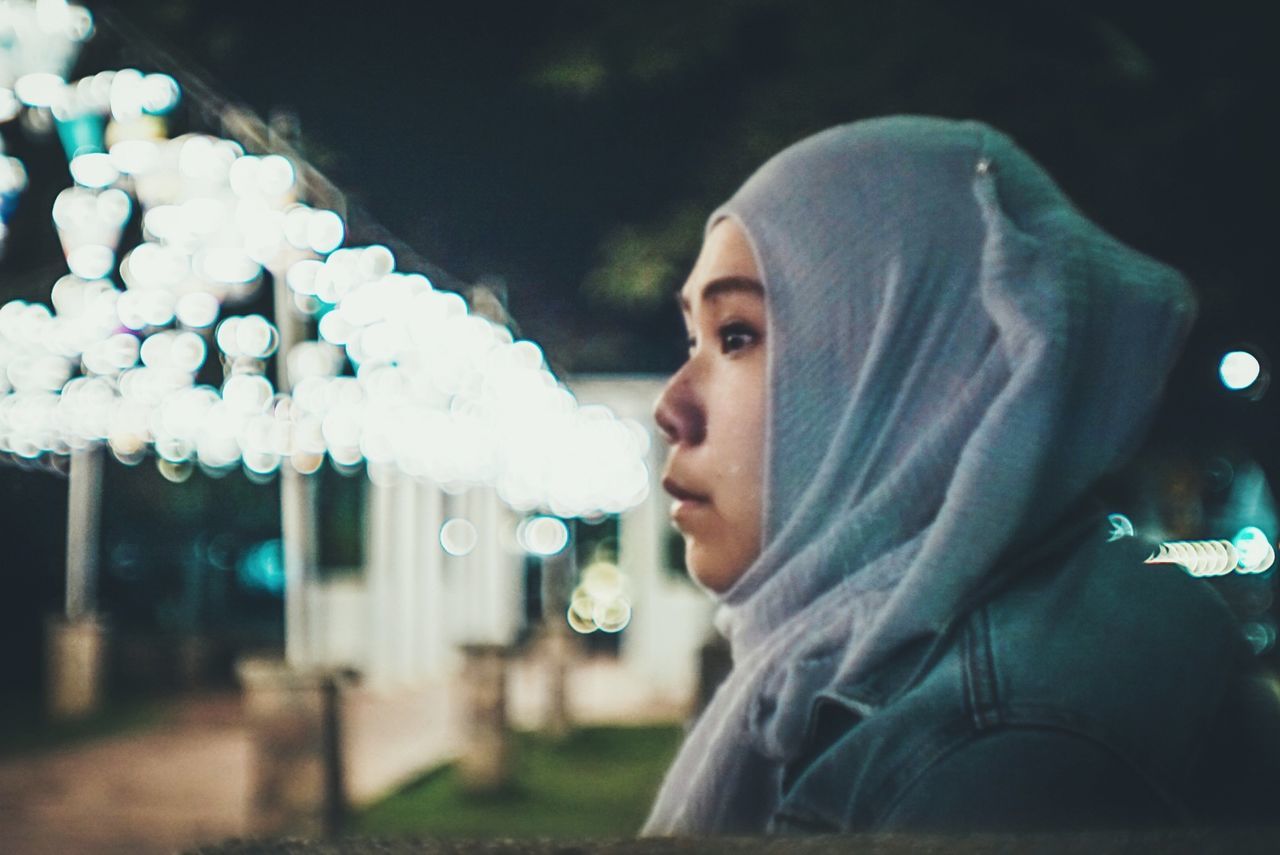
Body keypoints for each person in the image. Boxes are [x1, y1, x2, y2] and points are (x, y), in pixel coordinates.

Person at [645, 116, 1280, 834]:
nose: (671, 407)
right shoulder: (875, 674)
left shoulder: (1002, 755)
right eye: (691, 337)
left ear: (933, 381)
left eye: (737, 335)